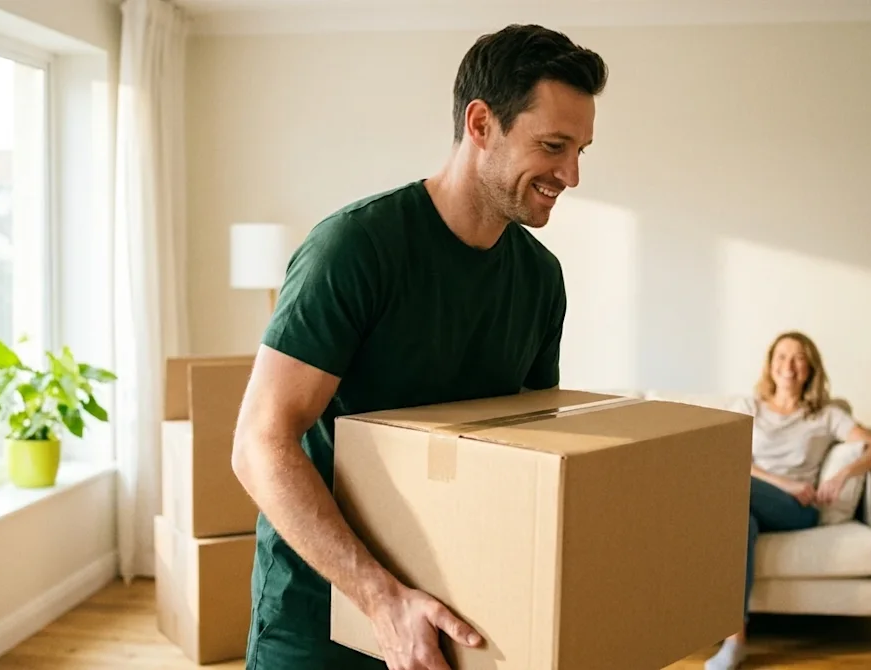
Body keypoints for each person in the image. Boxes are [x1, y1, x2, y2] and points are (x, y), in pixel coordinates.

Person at [230, 24, 609, 670]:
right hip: (320, 618)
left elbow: (525, 454)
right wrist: (382, 601)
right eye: (553, 146)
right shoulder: (355, 251)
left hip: (459, 621)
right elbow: (258, 445)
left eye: (581, 150)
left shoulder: (541, 280)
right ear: (481, 123)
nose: (571, 174)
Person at [705, 331, 871, 670]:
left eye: (798, 358)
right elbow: (726, 456)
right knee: (739, 521)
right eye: (781, 356)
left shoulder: (826, 415)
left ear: (810, 368)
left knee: (733, 492)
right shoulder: (749, 407)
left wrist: (843, 473)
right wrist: (784, 482)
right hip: (753, 496)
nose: (788, 366)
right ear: (769, 364)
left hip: (798, 510)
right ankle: (736, 639)